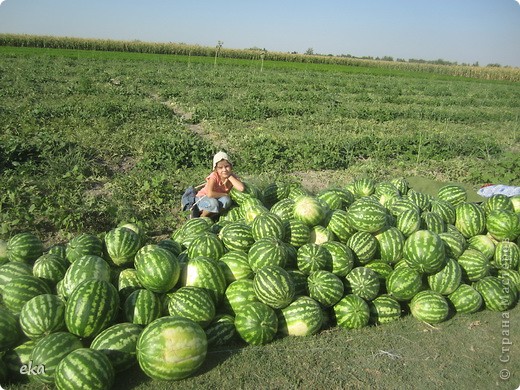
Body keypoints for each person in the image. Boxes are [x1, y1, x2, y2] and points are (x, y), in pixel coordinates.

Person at [193, 151, 245, 218]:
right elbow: (210, 194)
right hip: (202, 200)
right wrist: (225, 194)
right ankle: (202, 216)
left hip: (216, 200)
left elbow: (241, 188)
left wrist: (229, 176)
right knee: (213, 203)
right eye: (220, 168)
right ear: (216, 169)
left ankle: (212, 216)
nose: (224, 170)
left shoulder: (232, 176)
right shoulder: (214, 176)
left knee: (227, 200)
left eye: (227, 166)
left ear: (231, 166)